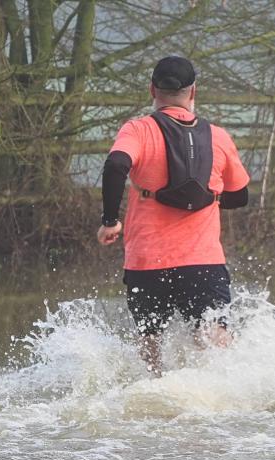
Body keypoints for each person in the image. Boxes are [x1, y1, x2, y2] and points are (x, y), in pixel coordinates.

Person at [96, 56, 250, 376]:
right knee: (213, 334)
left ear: (152, 89)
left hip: (147, 260)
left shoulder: (137, 130)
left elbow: (115, 166)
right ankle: (231, 397)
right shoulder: (218, 136)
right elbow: (240, 196)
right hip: (203, 261)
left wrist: (110, 220)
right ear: (193, 92)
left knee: (150, 340)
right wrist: (206, 199)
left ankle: (156, 399)